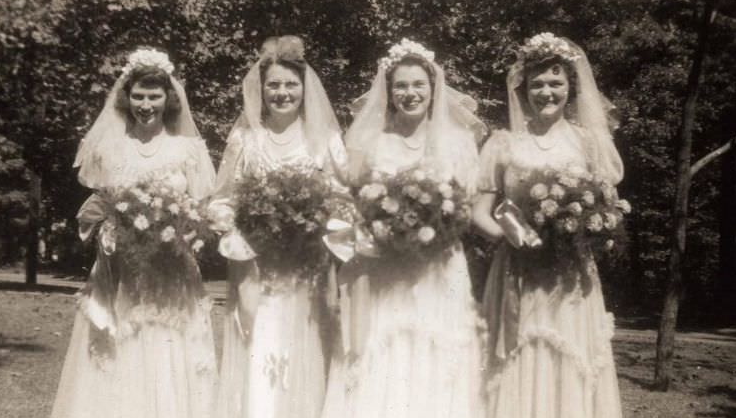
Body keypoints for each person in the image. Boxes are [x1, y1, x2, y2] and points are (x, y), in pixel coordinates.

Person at [321, 38, 487, 418]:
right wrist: (378, 230)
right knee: (383, 350)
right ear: (388, 91)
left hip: (438, 267)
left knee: (437, 350)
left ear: (434, 88)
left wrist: (438, 225)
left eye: (418, 85)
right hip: (382, 267)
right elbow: (347, 204)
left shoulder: (459, 142)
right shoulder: (369, 142)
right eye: (400, 86)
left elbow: (468, 208)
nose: (409, 94)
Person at [51, 48, 218, 418]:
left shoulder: (188, 149)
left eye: (154, 95)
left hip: (172, 270)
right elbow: (98, 204)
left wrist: (184, 232)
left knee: (165, 344)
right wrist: (107, 231)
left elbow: (201, 210)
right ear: (126, 97)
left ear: (169, 98)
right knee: (121, 344)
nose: (145, 104)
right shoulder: (109, 148)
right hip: (119, 270)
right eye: (138, 95)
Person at [472, 33, 624, 418]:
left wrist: (590, 231)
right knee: (517, 357)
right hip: (516, 274)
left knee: (569, 358)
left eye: (555, 83)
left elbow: (606, 209)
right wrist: (509, 238)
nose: (546, 92)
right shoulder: (502, 143)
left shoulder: (587, 143)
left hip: (570, 276)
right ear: (523, 89)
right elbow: (479, 213)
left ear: (570, 87)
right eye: (537, 84)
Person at [212, 35, 347, 418]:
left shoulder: (326, 139)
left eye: (291, 84)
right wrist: (239, 230)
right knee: (259, 343)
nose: (282, 92)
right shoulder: (245, 139)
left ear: (305, 89)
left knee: (304, 346)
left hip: (308, 266)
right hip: (258, 266)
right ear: (261, 89)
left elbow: (344, 201)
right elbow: (222, 200)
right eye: (274, 84)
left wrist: (316, 224)